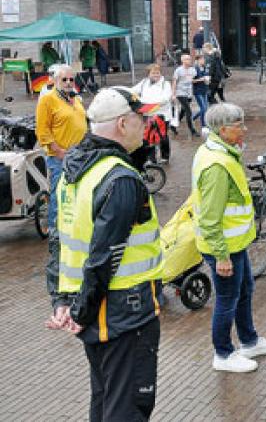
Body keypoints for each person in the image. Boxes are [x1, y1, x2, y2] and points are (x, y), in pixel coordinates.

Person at [46, 87, 163, 421]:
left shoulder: (73, 172)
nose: (147, 125)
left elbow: (59, 242)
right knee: (127, 408)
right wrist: (80, 312)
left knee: (105, 401)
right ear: (123, 124)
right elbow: (104, 255)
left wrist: (63, 301)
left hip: (97, 313)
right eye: (141, 118)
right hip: (125, 314)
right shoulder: (120, 178)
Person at [193, 103, 266, 372]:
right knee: (227, 298)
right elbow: (210, 217)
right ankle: (223, 354)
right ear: (223, 130)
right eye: (239, 125)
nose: (244, 129)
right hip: (223, 248)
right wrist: (221, 256)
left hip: (235, 244)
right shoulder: (217, 166)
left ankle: (249, 341)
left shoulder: (222, 152)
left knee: (244, 290)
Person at [36, 64, 87, 249]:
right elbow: (42, 131)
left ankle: (73, 228)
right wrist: (59, 151)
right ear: (56, 80)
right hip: (60, 157)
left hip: (79, 155)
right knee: (59, 195)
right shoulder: (47, 100)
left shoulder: (75, 98)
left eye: (71, 79)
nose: (68, 82)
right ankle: (55, 233)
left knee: (78, 194)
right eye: (64, 79)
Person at [131, 64, 174, 164]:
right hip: (147, 114)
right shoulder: (144, 82)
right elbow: (132, 91)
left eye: (157, 73)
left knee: (162, 136)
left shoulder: (165, 84)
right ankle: (151, 158)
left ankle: (165, 157)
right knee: (148, 137)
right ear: (148, 74)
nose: (156, 75)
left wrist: (144, 101)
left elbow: (165, 99)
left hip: (161, 115)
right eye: (153, 73)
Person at [171, 54, 199, 136]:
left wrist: (202, 79)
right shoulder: (178, 70)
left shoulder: (193, 70)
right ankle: (192, 130)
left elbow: (193, 80)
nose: (189, 60)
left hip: (189, 93)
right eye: (187, 59)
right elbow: (174, 82)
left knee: (183, 110)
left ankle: (173, 125)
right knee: (188, 111)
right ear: (182, 60)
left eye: (189, 59)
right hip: (180, 93)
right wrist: (173, 94)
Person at [192, 54, 210, 130]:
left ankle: (192, 118)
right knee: (203, 108)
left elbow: (207, 77)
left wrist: (208, 81)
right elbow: (192, 80)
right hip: (198, 91)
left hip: (204, 90)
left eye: (204, 59)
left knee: (205, 108)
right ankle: (203, 125)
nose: (204, 61)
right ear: (198, 60)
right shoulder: (194, 69)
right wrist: (201, 79)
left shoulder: (205, 68)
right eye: (202, 59)